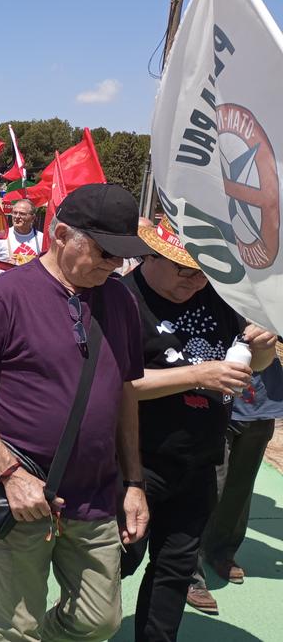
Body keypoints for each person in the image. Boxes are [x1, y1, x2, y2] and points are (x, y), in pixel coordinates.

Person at [0, 183, 152, 642]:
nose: (114, 265)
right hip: (21, 497)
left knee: (100, 621)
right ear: (60, 234)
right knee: (17, 629)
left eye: (121, 255)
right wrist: (11, 473)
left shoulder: (119, 300)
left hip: (97, 496)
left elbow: (124, 393)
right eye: (104, 252)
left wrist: (134, 483)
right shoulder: (5, 295)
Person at [120, 221, 276, 641]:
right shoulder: (122, 299)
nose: (194, 280)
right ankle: (72, 624)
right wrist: (198, 375)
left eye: (203, 270)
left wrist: (261, 348)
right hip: (136, 462)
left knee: (174, 568)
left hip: (201, 457)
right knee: (117, 562)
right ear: (151, 256)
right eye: (184, 270)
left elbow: (249, 363)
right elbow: (117, 386)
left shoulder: (218, 295)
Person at [188, 352, 283, 614]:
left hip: (260, 402)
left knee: (240, 488)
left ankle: (221, 550)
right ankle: (188, 572)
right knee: (209, 486)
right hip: (211, 398)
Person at [0, 199, 44, 265]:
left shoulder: (41, 238)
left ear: (33, 218)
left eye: (22, 214)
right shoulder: (1, 236)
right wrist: (5, 266)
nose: (17, 216)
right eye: (14, 213)